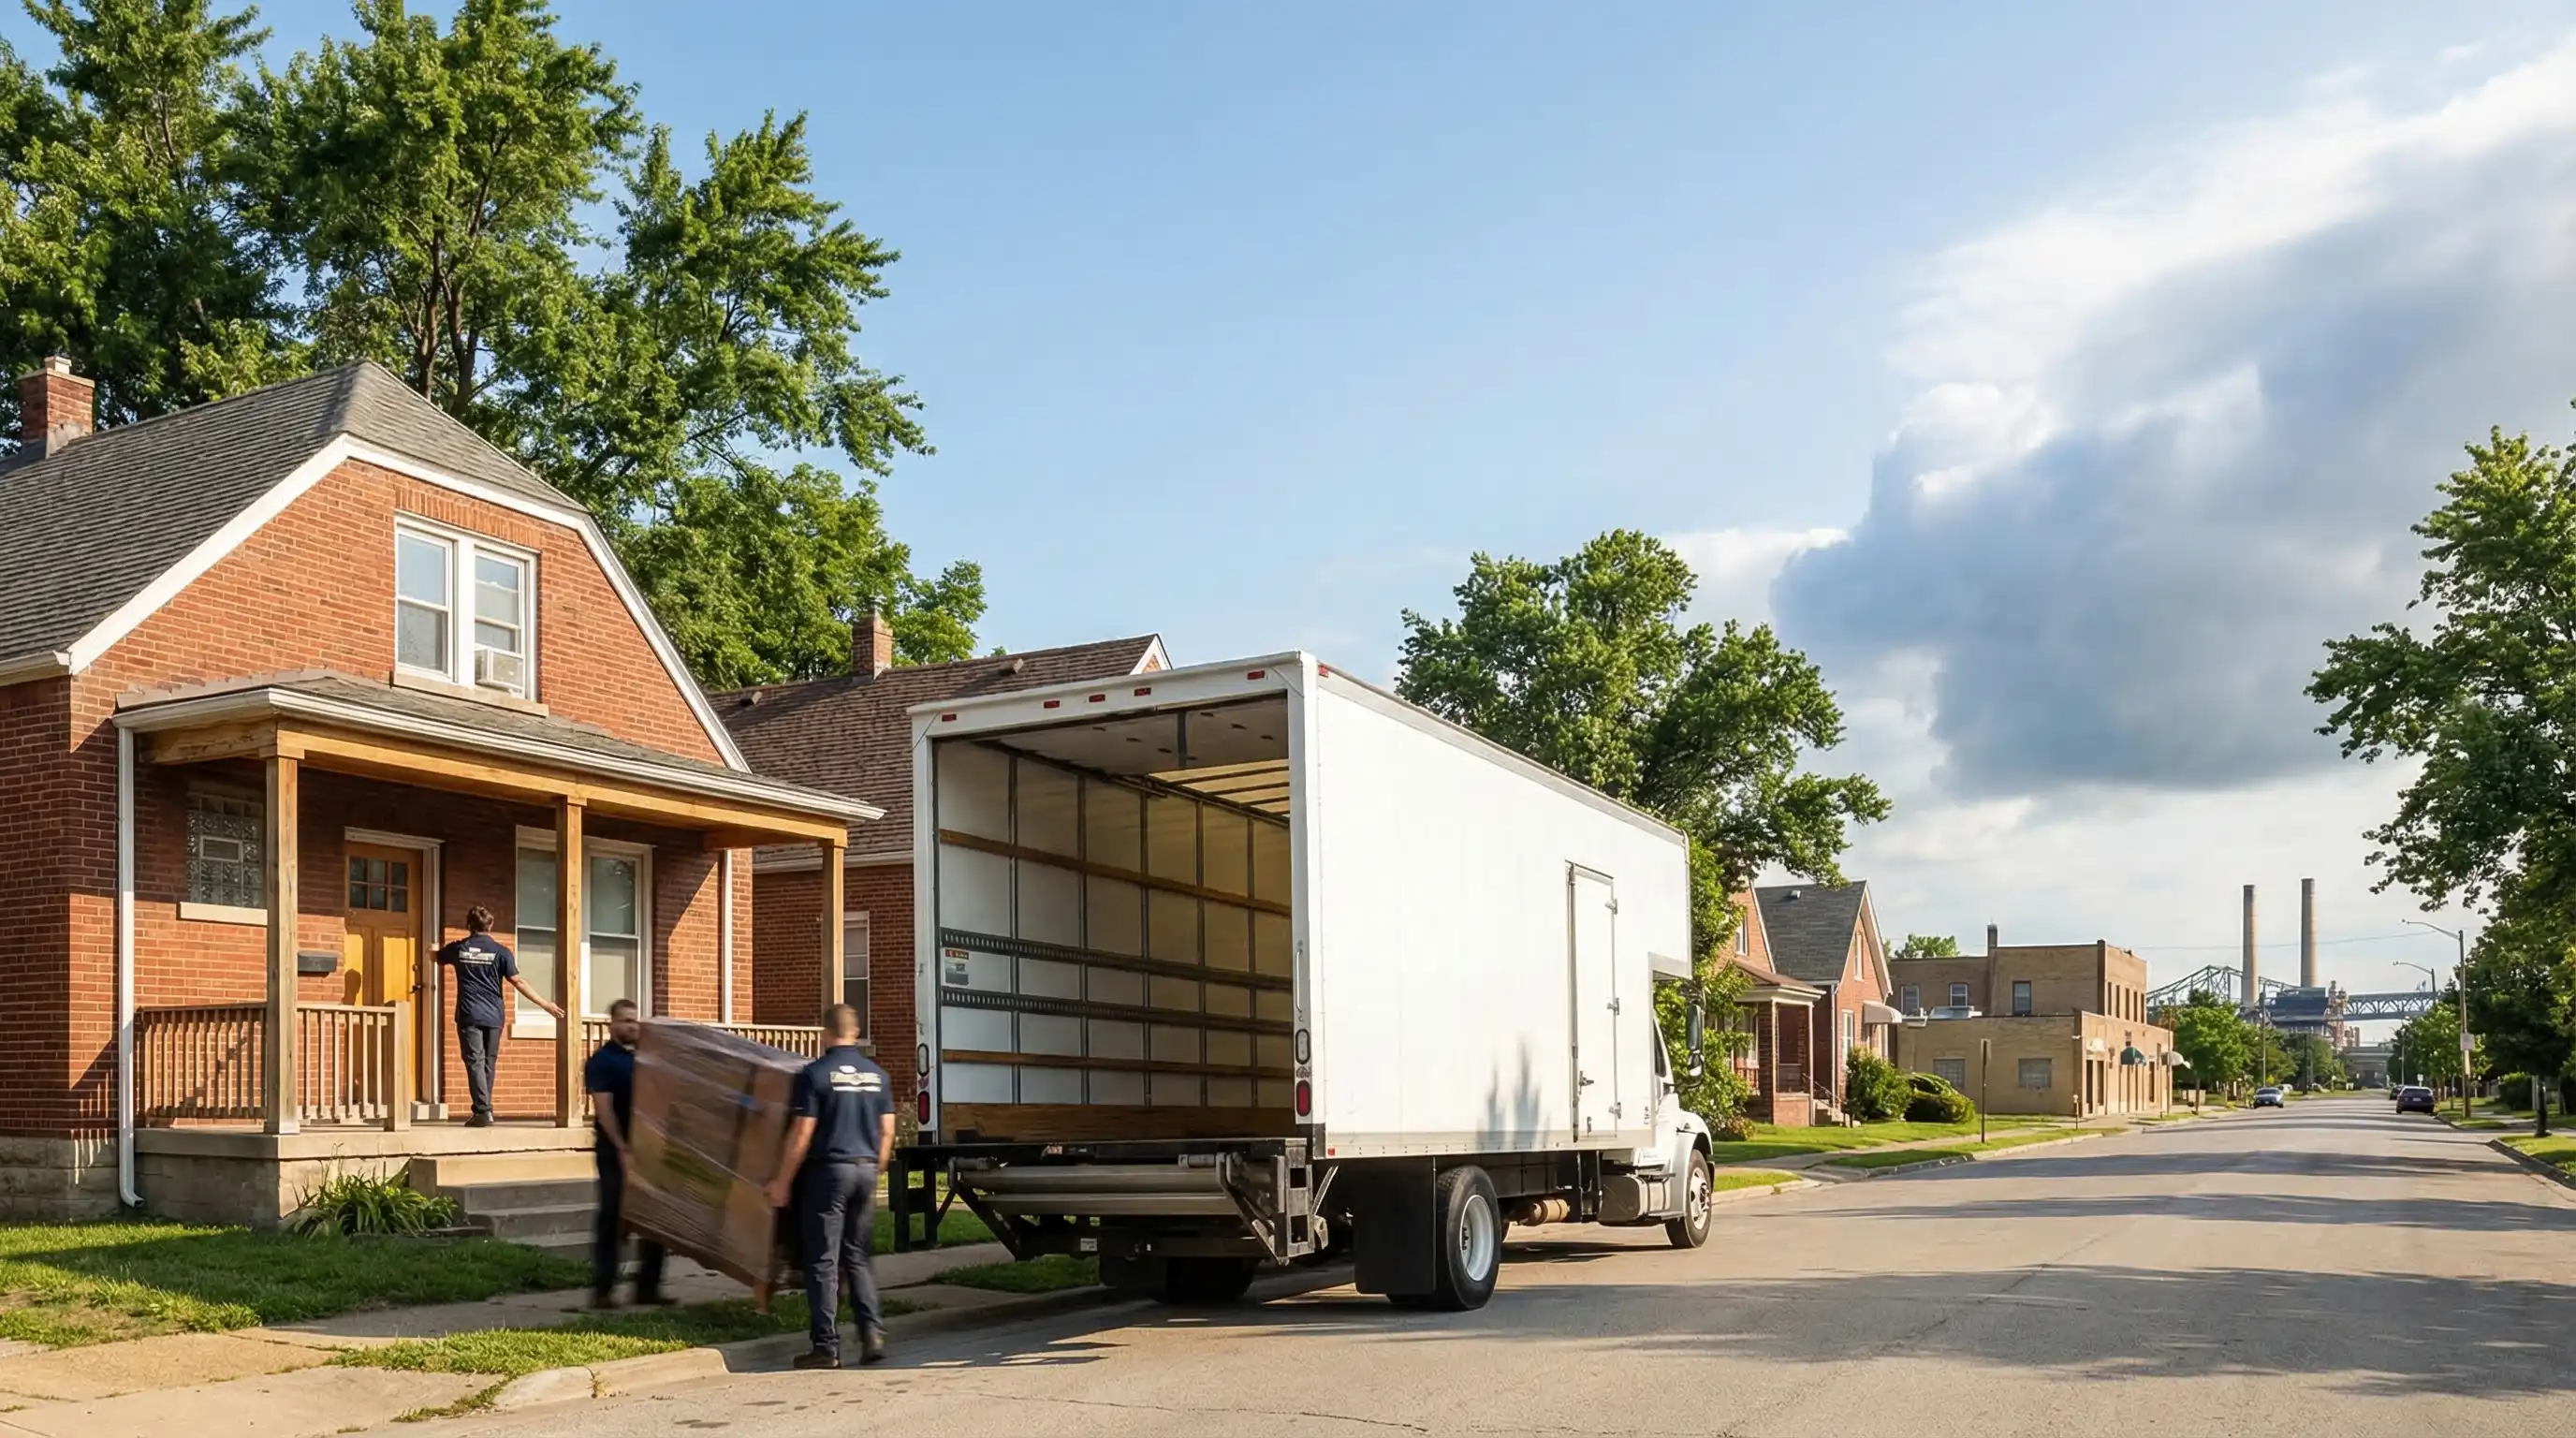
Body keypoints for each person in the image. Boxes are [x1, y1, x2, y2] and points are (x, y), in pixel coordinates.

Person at [765, 1005, 894, 1370]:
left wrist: (781, 1182)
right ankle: (872, 1334)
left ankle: (826, 1347)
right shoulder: (878, 1076)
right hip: (865, 1169)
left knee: (822, 1259)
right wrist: (876, 1168)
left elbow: (801, 1134)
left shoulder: (814, 1074)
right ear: (856, 1032)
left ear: (825, 1032)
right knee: (858, 1256)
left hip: (829, 1174)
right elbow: (887, 1131)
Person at [437, 904, 564, 1126]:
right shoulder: (501, 952)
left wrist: (430, 949)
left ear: (468, 925)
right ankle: (484, 1109)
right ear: (491, 926)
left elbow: (436, 957)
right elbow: (518, 981)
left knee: (475, 1062)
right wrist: (545, 1004)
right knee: (488, 1062)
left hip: (469, 1014)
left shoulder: (459, 948)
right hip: (494, 1016)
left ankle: (483, 1111)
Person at [584, 998, 667, 1308]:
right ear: (612, 1024)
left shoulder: (645, 1059)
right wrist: (622, 1148)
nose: (633, 1026)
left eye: (635, 1020)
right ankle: (603, 1291)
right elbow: (604, 1110)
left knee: (655, 1220)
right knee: (613, 1217)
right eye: (626, 1021)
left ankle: (648, 1289)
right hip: (614, 1151)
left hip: (648, 1151)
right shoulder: (602, 1061)